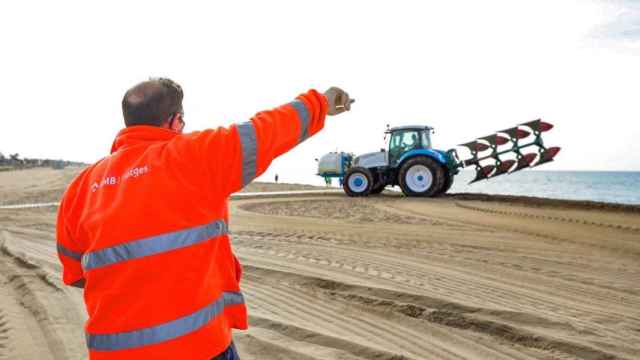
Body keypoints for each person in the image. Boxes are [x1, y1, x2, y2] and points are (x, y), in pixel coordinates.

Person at [55, 78, 353, 359]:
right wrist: (322, 103)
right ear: (175, 121)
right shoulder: (193, 156)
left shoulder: (80, 188)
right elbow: (269, 130)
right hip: (199, 347)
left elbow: (76, 273)